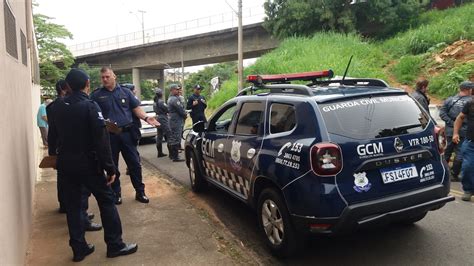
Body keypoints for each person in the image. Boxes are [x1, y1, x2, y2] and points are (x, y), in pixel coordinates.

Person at [48, 68, 137, 262]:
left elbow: (52, 138)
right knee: (107, 201)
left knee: (73, 206)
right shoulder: (90, 106)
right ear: (87, 84)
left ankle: (79, 249)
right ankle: (115, 245)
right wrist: (110, 167)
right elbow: (101, 140)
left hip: (66, 165)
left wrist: (54, 158)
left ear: (68, 86)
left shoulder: (56, 107)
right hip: (88, 164)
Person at [91, 67, 159, 204]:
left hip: (127, 134)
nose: (105, 79)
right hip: (109, 136)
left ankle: (140, 192)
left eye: (107, 76)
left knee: (134, 164)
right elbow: (91, 113)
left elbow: (136, 109)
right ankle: (116, 194)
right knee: (112, 166)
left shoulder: (126, 92)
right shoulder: (96, 95)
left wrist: (146, 118)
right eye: (102, 77)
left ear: (114, 76)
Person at [47, 80, 102, 231]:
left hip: (63, 155)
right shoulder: (73, 105)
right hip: (77, 155)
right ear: (65, 89)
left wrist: (52, 155)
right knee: (81, 192)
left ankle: (69, 210)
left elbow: (52, 134)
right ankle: (82, 219)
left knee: (67, 187)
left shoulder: (53, 106)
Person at [439, 82, 472, 181]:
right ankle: (454, 174)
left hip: (449, 130)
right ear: (469, 90)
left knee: (446, 151)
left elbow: (442, 113)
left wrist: (451, 123)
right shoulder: (471, 102)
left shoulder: (449, 100)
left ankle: (442, 172)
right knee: (460, 153)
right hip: (464, 131)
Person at [453, 81, 474, 201]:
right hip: (471, 142)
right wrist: (455, 133)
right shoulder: (470, 104)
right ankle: (468, 189)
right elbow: (460, 118)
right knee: (467, 167)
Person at [167, 84, 186, 162]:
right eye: (176, 89)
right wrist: (185, 115)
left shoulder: (171, 98)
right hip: (176, 121)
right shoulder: (174, 99)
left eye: (178, 89)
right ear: (172, 90)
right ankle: (175, 157)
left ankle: (172, 155)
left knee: (173, 138)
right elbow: (180, 110)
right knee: (176, 138)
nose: (178, 91)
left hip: (173, 120)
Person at [153, 88, 170, 157]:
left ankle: (159, 153)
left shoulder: (155, 102)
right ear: (161, 94)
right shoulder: (161, 102)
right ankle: (172, 153)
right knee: (169, 134)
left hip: (157, 118)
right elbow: (167, 109)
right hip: (163, 118)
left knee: (159, 135)